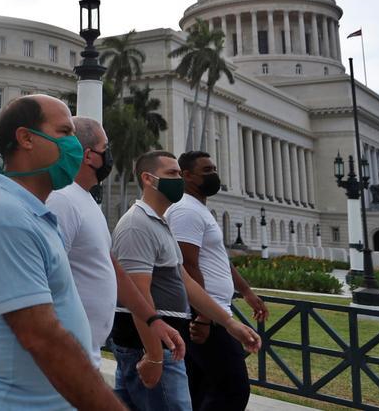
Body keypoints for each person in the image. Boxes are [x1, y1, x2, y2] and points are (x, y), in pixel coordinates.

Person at [0, 95, 123, 411]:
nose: (75, 147)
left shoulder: (33, 213)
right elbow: (42, 337)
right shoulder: (5, 215)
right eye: (65, 133)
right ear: (26, 138)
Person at [110, 150, 262, 411]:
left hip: (164, 344)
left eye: (179, 174)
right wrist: (155, 356)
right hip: (150, 346)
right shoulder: (137, 225)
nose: (179, 179)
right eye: (171, 174)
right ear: (148, 179)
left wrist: (228, 323)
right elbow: (138, 295)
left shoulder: (159, 223)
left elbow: (185, 281)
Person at [45, 117, 186, 374]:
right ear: (89, 156)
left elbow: (113, 269)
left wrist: (153, 320)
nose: (109, 155)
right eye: (105, 148)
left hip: (86, 350)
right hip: (64, 352)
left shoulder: (85, 201)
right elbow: (47, 277)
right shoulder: (62, 201)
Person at [166, 151, 268, 411]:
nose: (214, 175)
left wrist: (245, 291)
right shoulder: (186, 210)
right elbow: (188, 264)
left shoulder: (199, 209)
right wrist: (204, 316)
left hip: (213, 312)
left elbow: (218, 258)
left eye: (213, 168)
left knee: (201, 387)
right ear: (187, 175)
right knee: (232, 388)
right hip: (207, 316)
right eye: (207, 170)